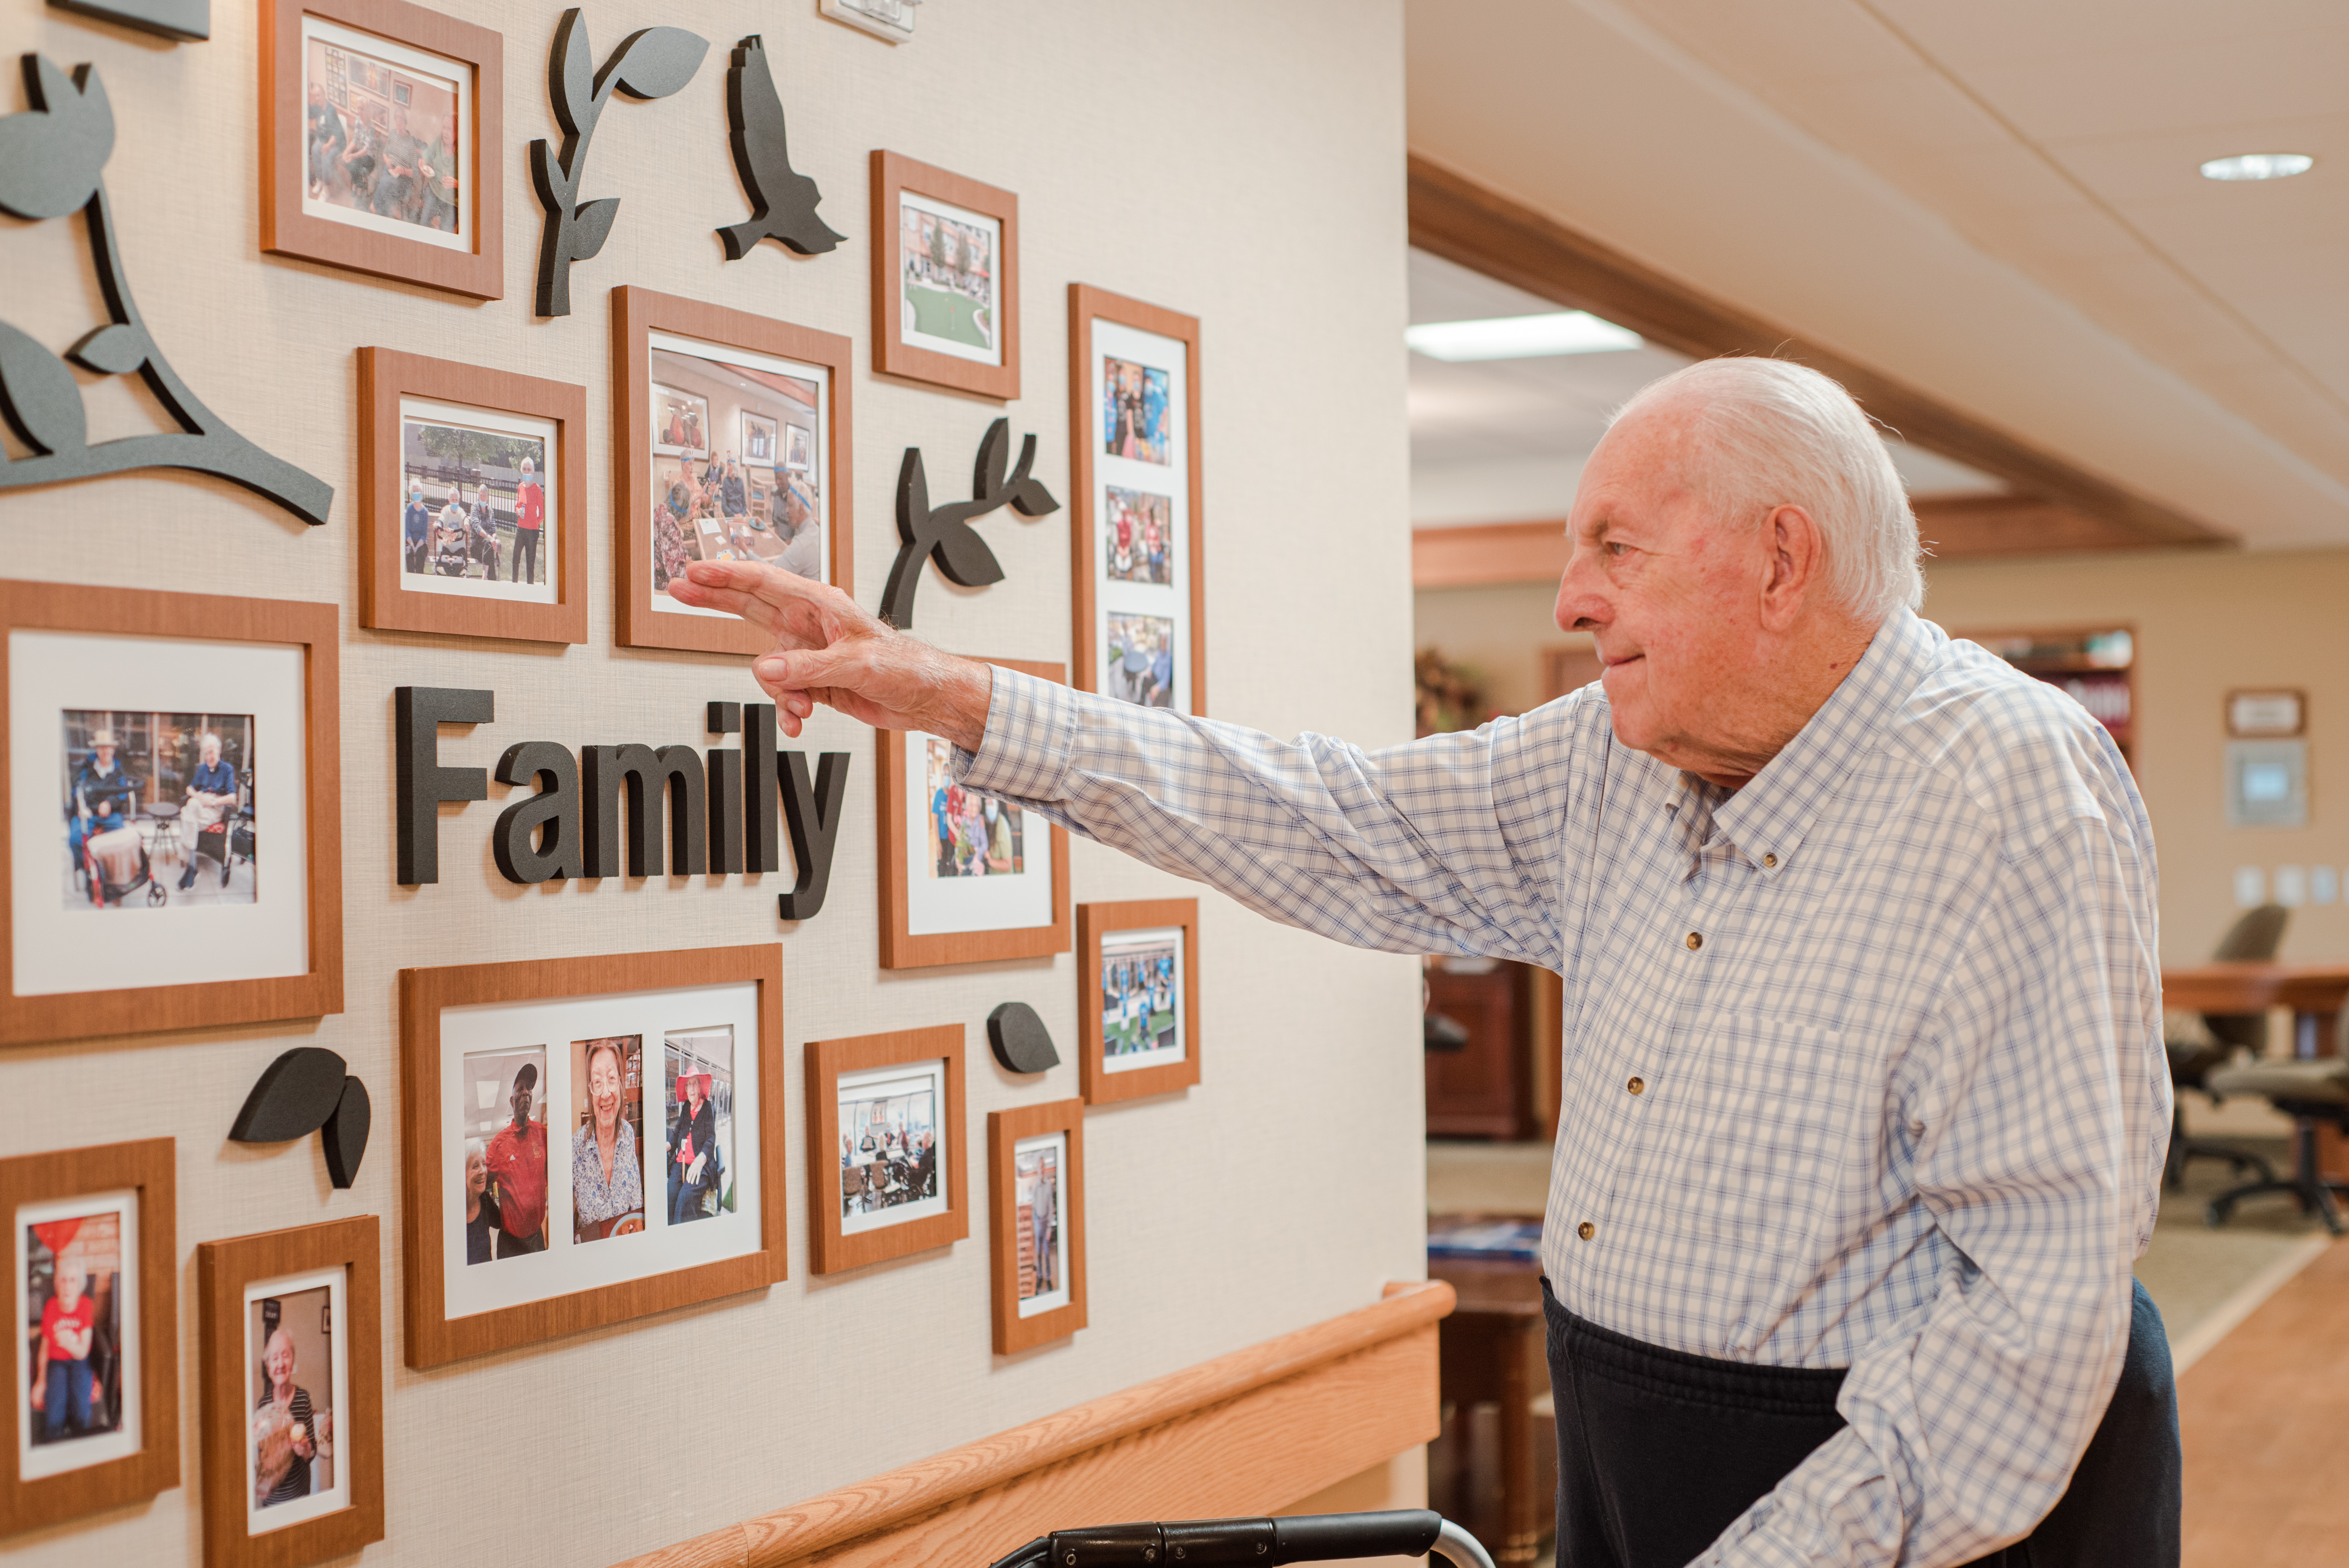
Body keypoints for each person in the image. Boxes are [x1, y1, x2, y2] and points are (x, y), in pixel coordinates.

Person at [670, 355, 2178, 1568]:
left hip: (1907, 1502)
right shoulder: (1610, 759)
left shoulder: (2002, 789)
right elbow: (1327, 815)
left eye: (1611, 548)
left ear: (1777, 558)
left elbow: (2035, 1301)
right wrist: (950, 695)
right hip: (1634, 1450)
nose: (1567, 600)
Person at [573, 1039, 642, 1242]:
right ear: (590, 1089)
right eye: (597, 1082)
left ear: (620, 1084)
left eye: (612, 1078)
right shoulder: (575, 1148)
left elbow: (637, 1203)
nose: (605, 1094)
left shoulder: (628, 1134)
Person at [482, 1062, 547, 1257]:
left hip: (537, 1238)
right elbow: (482, 1187)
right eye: (521, 1088)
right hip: (510, 1243)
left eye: (530, 1088)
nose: (527, 1092)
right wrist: (497, 1218)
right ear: (512, 1101)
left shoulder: (543, 1134)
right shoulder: (499, 1144)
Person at [30, 1253, 96, 1441]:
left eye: (73, 1281)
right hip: (56, 1363)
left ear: (80, 1285)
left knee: (82, 1413)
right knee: (54, 1417)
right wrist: (41, 1382)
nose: (68, 1287)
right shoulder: (51, 1307)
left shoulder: (85, 1306)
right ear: (57, 1284)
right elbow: (45, 1347)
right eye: (64, 1281)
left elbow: (83, 1351)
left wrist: (68, 1342)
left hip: (79, 1363)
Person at [251, 1327, 317, 1508]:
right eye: (275, 1358)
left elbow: (312, 1452)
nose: (281, 1363)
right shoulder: (263, 1405)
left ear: (293, 1361)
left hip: (299, 1495)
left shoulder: (303, 1399)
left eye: (286, 1355)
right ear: (269, 1368)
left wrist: (304, 1449)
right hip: (272, 1499)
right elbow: (260, 1457)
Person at [68, 729, 141, 888]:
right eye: (101, 747)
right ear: (97, 749)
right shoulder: (87, 768)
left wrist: (109, 803)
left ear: (113, 749)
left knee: (120, 841)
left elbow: (123, 793)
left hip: (111, 814)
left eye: (108, 747)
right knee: (75, 839)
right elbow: (76, 789)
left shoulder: (118, 769)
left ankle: (113, 875)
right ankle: (90, 869)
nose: (105, 751)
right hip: (88, 813)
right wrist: (81, 807)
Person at [177, 731, 238, 891]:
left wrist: (213, 801)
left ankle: (192, 867)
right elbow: (189, 788)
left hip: (215, 808)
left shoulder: (227, 769)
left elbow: (232, 798)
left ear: (219, 750)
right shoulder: (203, 769)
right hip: (200, 803)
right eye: (205, 753)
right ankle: (192, 868)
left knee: (186, 817)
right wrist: (199, 796)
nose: (208, 756)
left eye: (211, 752)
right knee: (191, 805)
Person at [668, 1070, 720, 1225]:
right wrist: (667, 1145)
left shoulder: (707, 1108)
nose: (690, 1088)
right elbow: (677, 1132)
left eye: (694, 1084)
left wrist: (701, 1159)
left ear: (699, 1087)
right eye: (688, 1085)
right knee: (670, 1194)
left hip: (700, 1164)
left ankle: (685, 1237)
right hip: (682, 1162)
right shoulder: (685, 1108)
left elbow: (711, 1138)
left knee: (685, 1198)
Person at [462, 1138, 501, 1265]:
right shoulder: (452, 1209)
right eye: (475, 1166)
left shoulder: (484, 1199)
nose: (483, 1171)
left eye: (484, 1164)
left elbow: (501, 1222)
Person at [510, 455, 544, 585]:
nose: (527, 471)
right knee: (515, 558)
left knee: (530, 563)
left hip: (532, 532)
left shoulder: (537, 489)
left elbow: (542, 514)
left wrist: (534, 522)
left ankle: (530, 589)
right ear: (522, 471)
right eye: (524, 469)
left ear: (533, 471)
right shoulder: (520, 487)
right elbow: (517, 505)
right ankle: (515, 584)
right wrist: (518, 511)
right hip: (521, 529)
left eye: (529, 469)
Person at [1027, 1160, 1055, 1294]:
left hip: (1045, 1222)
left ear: (1044, 1169)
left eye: (1043, 1167)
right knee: (1038, 1252)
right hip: (1038, 1222)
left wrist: (1049, 1228)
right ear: (1037, 1170)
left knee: (1047, 1252)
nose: (1041, 1170)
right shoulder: (1036, 1186)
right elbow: (1033, 1207)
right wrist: (1034, 1223)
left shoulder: (1048, 1185)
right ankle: (1039, 1276)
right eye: (1039, 1168)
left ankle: (1048, 1277)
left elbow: (1050, 1206)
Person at [401, 479, 432, 575]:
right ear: (411, 494)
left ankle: (419, 580)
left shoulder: (425, 512)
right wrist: (412, 546)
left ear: (422, 493)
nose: (416, 493)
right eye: (414, 491)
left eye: (418, 491)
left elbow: (424, 535)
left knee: (420, 555)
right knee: (409, 553)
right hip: (410, 542)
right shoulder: (410, 508)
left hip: (421, 544)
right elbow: (407, 530)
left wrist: (417, 547)